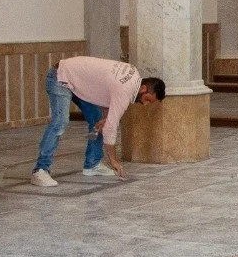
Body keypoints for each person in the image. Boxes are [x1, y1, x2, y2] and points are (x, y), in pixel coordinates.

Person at [30, 57, 164, 187]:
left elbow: (107, 96)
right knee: (60, 121)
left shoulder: (133, 75)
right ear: (143, 88)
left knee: (96, 120)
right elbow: (110, 129)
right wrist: (113, 160)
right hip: (60, 76)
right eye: (147, 99)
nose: (145, 104)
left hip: (76, 80)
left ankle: (92, 164)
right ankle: (40, 170)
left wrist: (107, 119)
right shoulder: (125, 89)